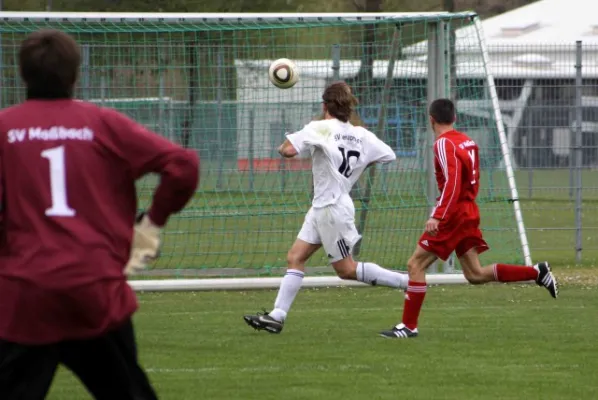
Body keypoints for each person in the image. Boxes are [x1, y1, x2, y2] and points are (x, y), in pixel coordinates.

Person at [0, 29, 199, 398]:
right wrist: (152, 222)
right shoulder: (103, 124)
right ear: (75, 74)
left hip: (25, 296)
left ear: (22, 75)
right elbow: (183, 165)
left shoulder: (4, 129)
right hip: (93, 292)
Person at [379, 98, 558, 339]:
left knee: (415, 265)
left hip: (453, 214)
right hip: (467, 210)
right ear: (455, 118)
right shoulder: (467, 141)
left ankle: (409, 326)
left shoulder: (443, 144)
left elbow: (453, 183)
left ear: (431, 120)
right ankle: (537, 272)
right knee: (475, 274)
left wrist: (438, 216)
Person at [243, 81, 409, 334]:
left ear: (325, 106)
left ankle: (407, 283)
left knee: (346, 270)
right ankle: (277, 316)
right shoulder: (361, 134)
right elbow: (388, 155)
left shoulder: (320, 127)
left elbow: (287, 150)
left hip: (332, 208)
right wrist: (356, 167)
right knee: (295, 257)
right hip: (322, 206)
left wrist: (283, 145)